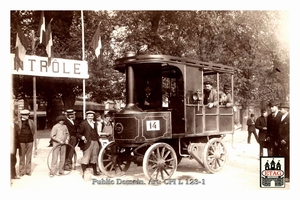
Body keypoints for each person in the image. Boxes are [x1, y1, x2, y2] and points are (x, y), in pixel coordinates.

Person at [76, 110, 101, 178]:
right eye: (89, 116)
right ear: (86, 116)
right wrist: (82, 137)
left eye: (91, 116)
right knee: (86, 158)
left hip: (95, 142)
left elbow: (96, 133)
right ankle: (84, 173)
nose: (90, 117)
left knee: (94, 157)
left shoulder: (95, 123)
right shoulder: (83, 124)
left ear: (93, 117)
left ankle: (95, 171)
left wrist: (99, 139)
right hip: (87, 143)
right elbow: (78, 133)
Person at [15, 109, 36, 176]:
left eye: (28, 115)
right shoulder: (18, 122)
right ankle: (21, 171)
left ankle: (28, 171)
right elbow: (17, 132)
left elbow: (33, 130)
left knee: (29, 156)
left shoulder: (31, 122)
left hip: (29, 141)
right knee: (21, 156)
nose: (27, 116)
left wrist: (30, 138)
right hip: (21, 141)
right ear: (22, 115)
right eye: (26, 115)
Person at [278, 102, 289, 182]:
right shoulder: (281, 117)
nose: (280, 110)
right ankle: (283, 174)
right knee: (282, 157)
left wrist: (285, 139)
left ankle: (288, 176)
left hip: (287, 141)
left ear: (286, 109)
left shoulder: (290, 117)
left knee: (287, 158)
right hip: (280, 141)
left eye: (281, 109)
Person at [11, 114, 20, 179]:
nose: (13, 119)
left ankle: (13, 175)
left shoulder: (16, 126)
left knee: (13, 159)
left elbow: (18, 136)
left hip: (14, 145)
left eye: (14, 117)